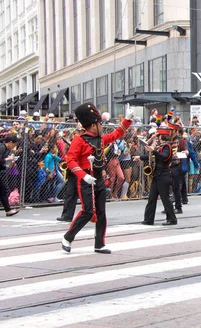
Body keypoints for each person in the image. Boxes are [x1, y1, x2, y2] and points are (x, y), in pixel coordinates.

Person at [61, 103, 134, 254]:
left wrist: (127, 120)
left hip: (98, 178)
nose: (102, 126)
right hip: (86, 179)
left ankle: (99, 243)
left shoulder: (100, 139)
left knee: (101, 212)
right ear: (93, 125)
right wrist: (84, 175)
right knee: (88, 211)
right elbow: (70, 160)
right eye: (100, 123)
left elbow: (116, 134)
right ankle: (68, 237)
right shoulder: (79, 140)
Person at [136, 127, 178, 226]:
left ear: (161, 136)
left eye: (158, 136)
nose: (157, 138)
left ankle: (172, 219)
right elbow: (153, 157)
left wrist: (153, 150)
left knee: (165, 198)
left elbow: (164, 156)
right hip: (157, 175)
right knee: (152, 197)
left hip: (164, 175)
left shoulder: (167, 147)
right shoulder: (161, 146)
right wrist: (140, 157)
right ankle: (148, 219)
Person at [0, 134, 21, 216]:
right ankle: (8, 210)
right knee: (3, 190)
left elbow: (2, 164)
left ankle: (8, 210)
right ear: (10, 142)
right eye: (14, 144)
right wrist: (8, 159)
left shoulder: (5, 149)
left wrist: (9, 164)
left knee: (3, 190)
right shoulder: (2, 147)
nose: (14, 147)